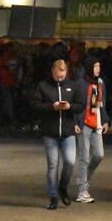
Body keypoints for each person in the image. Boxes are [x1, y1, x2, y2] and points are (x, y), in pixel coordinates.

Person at [32, 59, 84, 210]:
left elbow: (81, 106)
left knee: (70, 161)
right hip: (50, 132)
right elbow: (35, 105)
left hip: (68, 131)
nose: (60, 78)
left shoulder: (74, 86)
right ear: (52, 72)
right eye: (57, 76)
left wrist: (69, 107)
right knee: (53, 165)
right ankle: (53, 196)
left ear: (66, 72)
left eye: (62, 75)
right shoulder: (43, 86)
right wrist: (51, 106)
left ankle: (63, 186)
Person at [75, 58, 109, 204]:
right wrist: (76, 122)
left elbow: (102, 103)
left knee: (99, 155)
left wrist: (106, 119)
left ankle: (83, 179)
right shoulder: (81, 83)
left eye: (99, 66)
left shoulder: (100, 83)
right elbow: (76, 104)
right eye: (95, 66)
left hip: (97, 122)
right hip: (84, 123)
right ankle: (82, 191)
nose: (98, 69)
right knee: (84, 157)